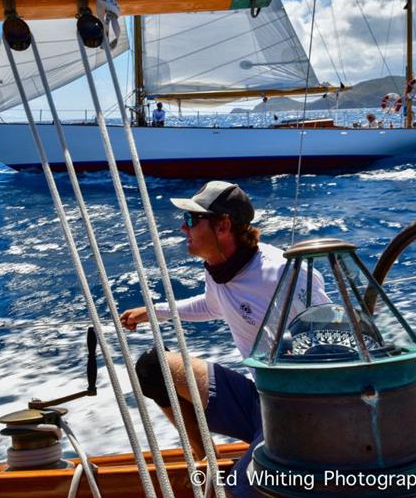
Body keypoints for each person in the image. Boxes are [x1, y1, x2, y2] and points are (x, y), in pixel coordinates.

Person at [119, 181, 329, 496]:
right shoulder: (217, 266)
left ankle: (242, 478)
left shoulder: (282, 273)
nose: (182, 227)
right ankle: (210, 463)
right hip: (259, 399)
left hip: (297, 412)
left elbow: (330, 338)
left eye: (191, 220)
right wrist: (153, 312)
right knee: (154, 369)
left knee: (235, 493)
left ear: (223, 227)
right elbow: (212, 305)